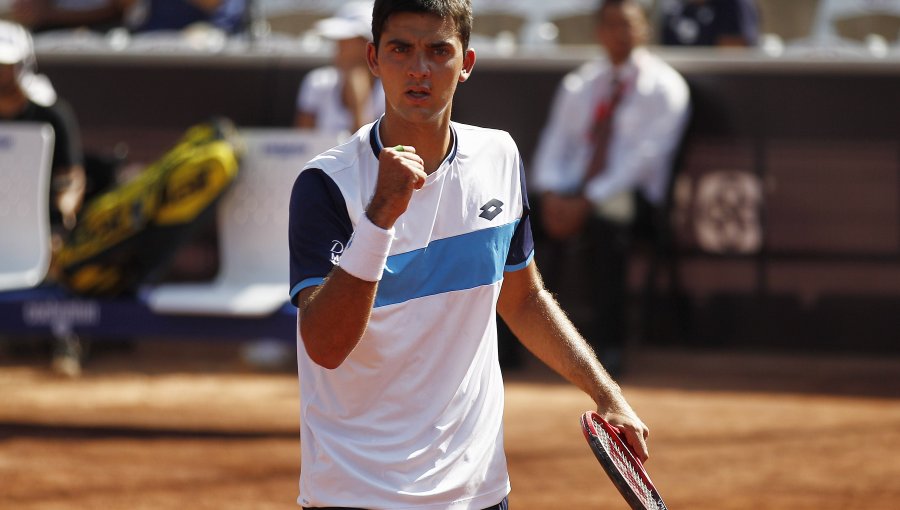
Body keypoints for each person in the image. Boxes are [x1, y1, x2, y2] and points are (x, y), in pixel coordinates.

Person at [287, 1, 650, 508]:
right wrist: (379, 218)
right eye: (400, 49)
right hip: (356, 493)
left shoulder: (499, 157)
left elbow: (523, 299)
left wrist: (607, 395)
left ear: (467, 63)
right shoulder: (325, 184)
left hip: (477, 492)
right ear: (373, 59)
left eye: (439, 51)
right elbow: (324, 346)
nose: (419, 69)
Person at [530, 0, 691, 375]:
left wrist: (587, 201)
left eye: (628, 24)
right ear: (599, 31)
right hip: (571, 194)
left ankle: (608, 347)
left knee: (608, 224)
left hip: (635, 202)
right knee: (516, 219)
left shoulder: (666, 88)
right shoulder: (579, 84)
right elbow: (554, 143)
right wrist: (552, 194)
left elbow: (642, 162)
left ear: (644, 29)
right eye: (612, 24)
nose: (621, 33)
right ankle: (510, 345)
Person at [0, 19, 87, 376]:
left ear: (24, 65)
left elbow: (72, 178)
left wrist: (63, 222)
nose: (2, 73)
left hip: (43, 223)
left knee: (65, 261)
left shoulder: (53, 114)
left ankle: (65, 341)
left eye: (7, 65)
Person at [294, 1, 385, 138]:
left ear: (368, 46)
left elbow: (365, 149)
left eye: (347, 39)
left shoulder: (389, 93)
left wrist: (358, 96)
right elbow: (301, 145)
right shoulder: (317, 83)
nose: (338, 46)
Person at [658, 0, 760, 47]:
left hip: (719, 83)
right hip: (675, 76)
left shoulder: (734, 5)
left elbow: (734, 59)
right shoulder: (669, 4)